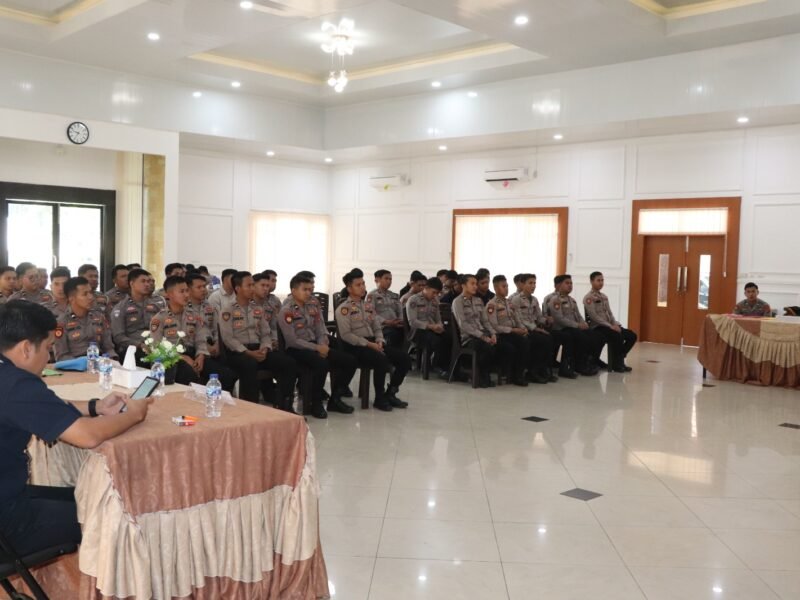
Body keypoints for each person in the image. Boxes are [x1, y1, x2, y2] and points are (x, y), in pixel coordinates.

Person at [0, 300, 152, 557]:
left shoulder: (7, 377)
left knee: (82, 496)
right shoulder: (15, 383)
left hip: (10, 495)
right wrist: (134, 415)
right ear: (26, 348)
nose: (48, 357)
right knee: (114, 513)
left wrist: (96, 406)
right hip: (8, 522)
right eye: (48, 348)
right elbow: (87, 436)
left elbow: (41, 406)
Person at [278, 274, 357, 418]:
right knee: (321, 364)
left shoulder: (313, 303)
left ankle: (335, 399)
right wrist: (317, 348)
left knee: (349, 360)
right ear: (294, 291)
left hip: (316, 344)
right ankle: (315, 402)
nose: (309, 293)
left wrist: (322, 343)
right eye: (305, 289)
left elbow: (320, 327)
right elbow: (292, 340)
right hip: (297, 349)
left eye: (310, 289)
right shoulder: (286, 310)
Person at [219, 271, 297, 409]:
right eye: (249, 285)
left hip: (259, 350)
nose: (252, 288)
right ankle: (251, 408)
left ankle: (285, 405)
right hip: (238, 353)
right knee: (250, 364)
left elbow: (266, 333)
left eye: (253, 285)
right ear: (238, 288)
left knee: (288, 363)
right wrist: (248, 352)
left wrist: (265, 348)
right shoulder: (227, 309)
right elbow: (228, 338)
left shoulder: (257, 309)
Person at [336, 270, 410, 411]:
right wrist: (369, 344)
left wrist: (380, 340)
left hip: (373, 343)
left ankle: (391, 393)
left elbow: (377, 326)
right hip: (355, 346)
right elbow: (346, 335)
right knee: (381, 360)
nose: (363, 287)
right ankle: (379, 398)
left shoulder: (368, 306)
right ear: (349, 288)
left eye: (363, 283)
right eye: (358, 285)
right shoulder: (344, 308)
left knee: (404, 359)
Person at [149, 276, 236, 391]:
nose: (186, 295)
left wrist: (201, 355)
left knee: (227, 375)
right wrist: (182, 357)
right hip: (172, 358)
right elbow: (157, 347)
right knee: (189, 374)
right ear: (169, 294)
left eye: (187, 291)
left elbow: (201, 338)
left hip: (193, 354)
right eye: (182, 291)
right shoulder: (159, 319)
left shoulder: (194, 315)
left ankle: (215, 399)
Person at [547, 274, 600, 377]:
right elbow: (559, 319)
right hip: (561, 329)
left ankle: (588, 361)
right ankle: (573, 366)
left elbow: (578, 315)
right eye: (567, 283)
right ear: (559, 285)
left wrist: (583, 323)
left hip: (573, 328)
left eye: (571, 283)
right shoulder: (555, 300)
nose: (570, 285)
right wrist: (577, 325)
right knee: (581, 337)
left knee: (595, 336)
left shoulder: (572, 300)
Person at [451, 274, 498, 388]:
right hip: (469, 338)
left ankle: (484, 375)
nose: (475, 286)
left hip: (482, 334)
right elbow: (463, 325)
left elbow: (485, 321)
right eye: (472, 284)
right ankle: (480, 376)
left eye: (476, 284)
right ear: (463, 285)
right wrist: (482, 336)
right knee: (485, 347)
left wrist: (493, 333)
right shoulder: (457, 302)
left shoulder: (478, 300)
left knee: (500, 344)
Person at [54, 277, 117, 361]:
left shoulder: (99, 317)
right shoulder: (61, 323)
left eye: (90, 292)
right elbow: (61, 356)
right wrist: (83, 364)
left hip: (100, 363)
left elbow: (108, 348)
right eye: (85, 294)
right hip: (74, 366)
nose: (91, 297)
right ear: (71, 298)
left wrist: (112, 360)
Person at [584, 271, 636, 372]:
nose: (601, 282)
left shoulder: (604, 297)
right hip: (598, 327)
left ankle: (619, 357)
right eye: (598, 280)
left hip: (609, 326)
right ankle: (617, 364)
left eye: (602, 280)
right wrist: (610, 326)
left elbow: (609, 313)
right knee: (617, 336)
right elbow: (594, 316)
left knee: (632, 335)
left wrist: (614, 323)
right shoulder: (588, 298)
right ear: (591, 281)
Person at [486, 275, 533, 386]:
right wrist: (513, 330)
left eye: (507, 286)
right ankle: (512, 375)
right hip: (500, 335)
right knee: (512, 346)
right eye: (503, 286)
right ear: (496, 288)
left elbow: (517, 319)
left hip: (512, 333)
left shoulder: (509, 303)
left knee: (526, 341)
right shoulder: (492, 304)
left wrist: (523, 328)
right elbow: (494, 326)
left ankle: (520, 374)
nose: (506, 288)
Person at [511, 274, 558, 382]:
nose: (533, 286)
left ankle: (543, 369)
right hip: (523, 330)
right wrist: (535, 328)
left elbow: (539, 316)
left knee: (550, 338)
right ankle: (532, 371)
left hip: (535, 328)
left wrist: (546, 320)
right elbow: (519, 320)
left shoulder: (534, 300)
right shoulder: (516, 300)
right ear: (523, 284)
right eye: (530, 283)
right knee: (542, 340)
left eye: (534, 283)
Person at [109, 268, 162, 361]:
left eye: (148, 281)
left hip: (155, 346)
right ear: (132, 283)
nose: (147, 284)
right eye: (143, 281)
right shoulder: (121, 308)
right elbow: (118, 337)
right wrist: (139, 345)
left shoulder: (155, 306)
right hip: (132, 349)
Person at [405, 277, 449, 376]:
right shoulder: (413, 300)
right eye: (434, 292)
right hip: (418, 331)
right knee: (434, 339)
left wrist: (439, 326)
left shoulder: (435, 301)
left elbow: (438, 318)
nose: (435, 295)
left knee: (448, 338)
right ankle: (433, 365)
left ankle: (443, 367)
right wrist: (430, 326)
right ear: (426, 288)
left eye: (437, 293)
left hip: (432, 329)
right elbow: (413, 322)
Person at [186, 272, 221, 359]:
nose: (203, 289)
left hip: (212, 345)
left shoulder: (209, 306)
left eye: (204, 286)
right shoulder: (183, 308)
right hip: (193, 348)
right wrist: (204, 347)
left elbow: (217, 329)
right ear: (188, 289)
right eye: (199, 287)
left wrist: (217, 344)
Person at [367, 269, 405, 348]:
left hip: (396, 325)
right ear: (377, 280)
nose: (389, 281)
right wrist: (386, 322)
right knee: (393, 335)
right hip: (382, 327)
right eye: (386, 278)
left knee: (408, 332)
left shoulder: (394, 295)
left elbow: (400, 311)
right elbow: (371, 314)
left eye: (390, 279)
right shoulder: (372, 295)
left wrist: (400, 321)